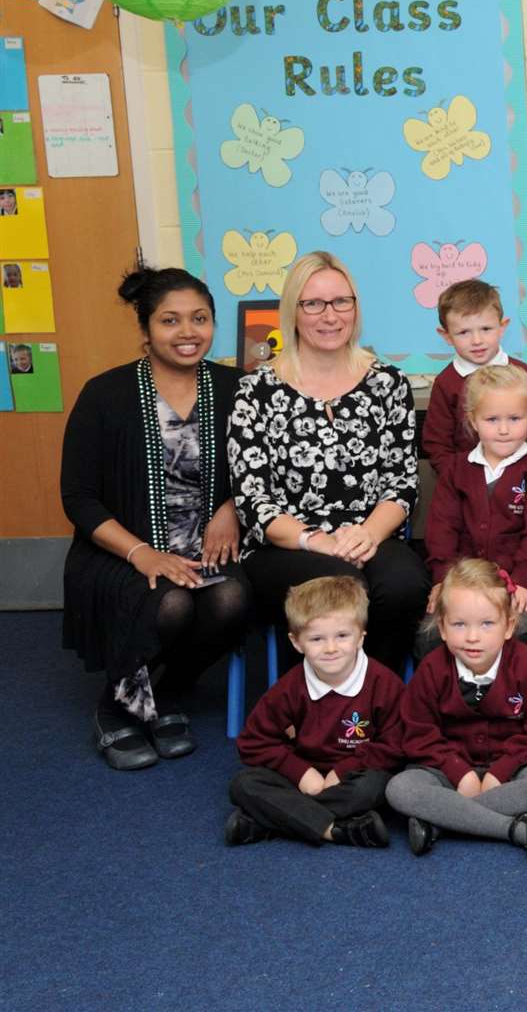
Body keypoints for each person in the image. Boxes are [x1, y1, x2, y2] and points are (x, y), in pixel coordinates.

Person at [63, 265, 250, 769]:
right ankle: (116, 705)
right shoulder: (105, 394)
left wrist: (231, 506)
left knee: (231, 597)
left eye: (200, 318)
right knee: (171, 605)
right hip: (123, 549)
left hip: (208, 545)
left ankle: (165, 694)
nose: (188, 333)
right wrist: (142, 553)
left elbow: (262, 469)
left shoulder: (238, 388)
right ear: (145, 331)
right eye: (170, 321)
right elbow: (78, 498)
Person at [230, 251, 426, 675]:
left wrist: (368, 534)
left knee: (405, 584)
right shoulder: (256, 391)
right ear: (293, 312)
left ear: (356, 308)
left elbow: (402, 483)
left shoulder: (387, 383)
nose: (329, 315)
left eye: (342, 302)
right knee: (339, 587)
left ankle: (376, 698)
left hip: (366, 535)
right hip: (284, 546)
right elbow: (253, 501)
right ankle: (313, 708)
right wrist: (314, 540)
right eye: (313, 303)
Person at [387, 559, 527, 859]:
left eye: (487, 624)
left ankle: (441, 823)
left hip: (514, 771)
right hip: (447, 771)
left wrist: (501, 770)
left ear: (508, 626)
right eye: (459, 624)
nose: (472, 637)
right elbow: (418, 735)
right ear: (442, 628)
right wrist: (457, 772)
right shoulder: (431, 670)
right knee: (401, 788)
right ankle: (515, 829)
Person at [225, 577, 400, 848]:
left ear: (361, 637)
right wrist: (301, 772)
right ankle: (336, 830)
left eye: (342, 636)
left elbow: (396, 743)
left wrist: (343, 771)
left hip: (356, 775)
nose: (331, 648)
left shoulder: (383, 683)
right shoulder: (289, 688)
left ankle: (275, 819)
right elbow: (252, 742)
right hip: (304, 775)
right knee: (243, 784)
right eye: (317, 639)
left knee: (378, 786)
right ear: (296, 643)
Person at [424, 364, 527, 648]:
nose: (504, 429)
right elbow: (442, 529)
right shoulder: (457, 468)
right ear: (473, 420)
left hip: (524, 582)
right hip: (464, 582)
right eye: (492, 419)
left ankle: (515, 693)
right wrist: (442, 579)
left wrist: (523, 579)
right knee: (433, 638)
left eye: (514, 418)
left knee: (516, 634)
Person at [420, 279, 527, 462]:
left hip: (523, 480)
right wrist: (459, 481)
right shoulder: (446, 382)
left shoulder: (522, 373)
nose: (477, 341)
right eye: (464, 332)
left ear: (502, 327)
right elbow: (437, 445)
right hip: (466, 484)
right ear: (447, 336)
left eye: (486, 329)